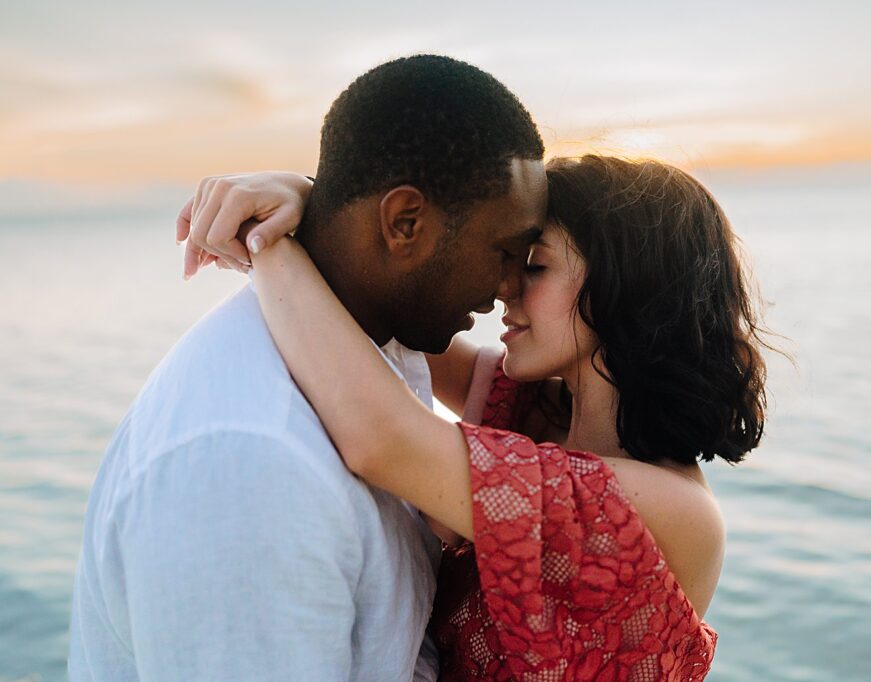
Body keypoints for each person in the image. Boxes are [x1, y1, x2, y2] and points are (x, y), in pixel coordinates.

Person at [183, 154, 769, 680]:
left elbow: (381, 435)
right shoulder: (538, 410)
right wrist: (314, 202)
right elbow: (396, 306)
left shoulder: (676, 513)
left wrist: (269, 242)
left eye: (534, 267)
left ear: (628, 285)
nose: (502, 288)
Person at [68, 54, 547, 681]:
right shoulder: (251, 465)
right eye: (506, 252)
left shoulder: (383, 346)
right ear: (405, 223)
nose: (511, 287)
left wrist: (302, 199)